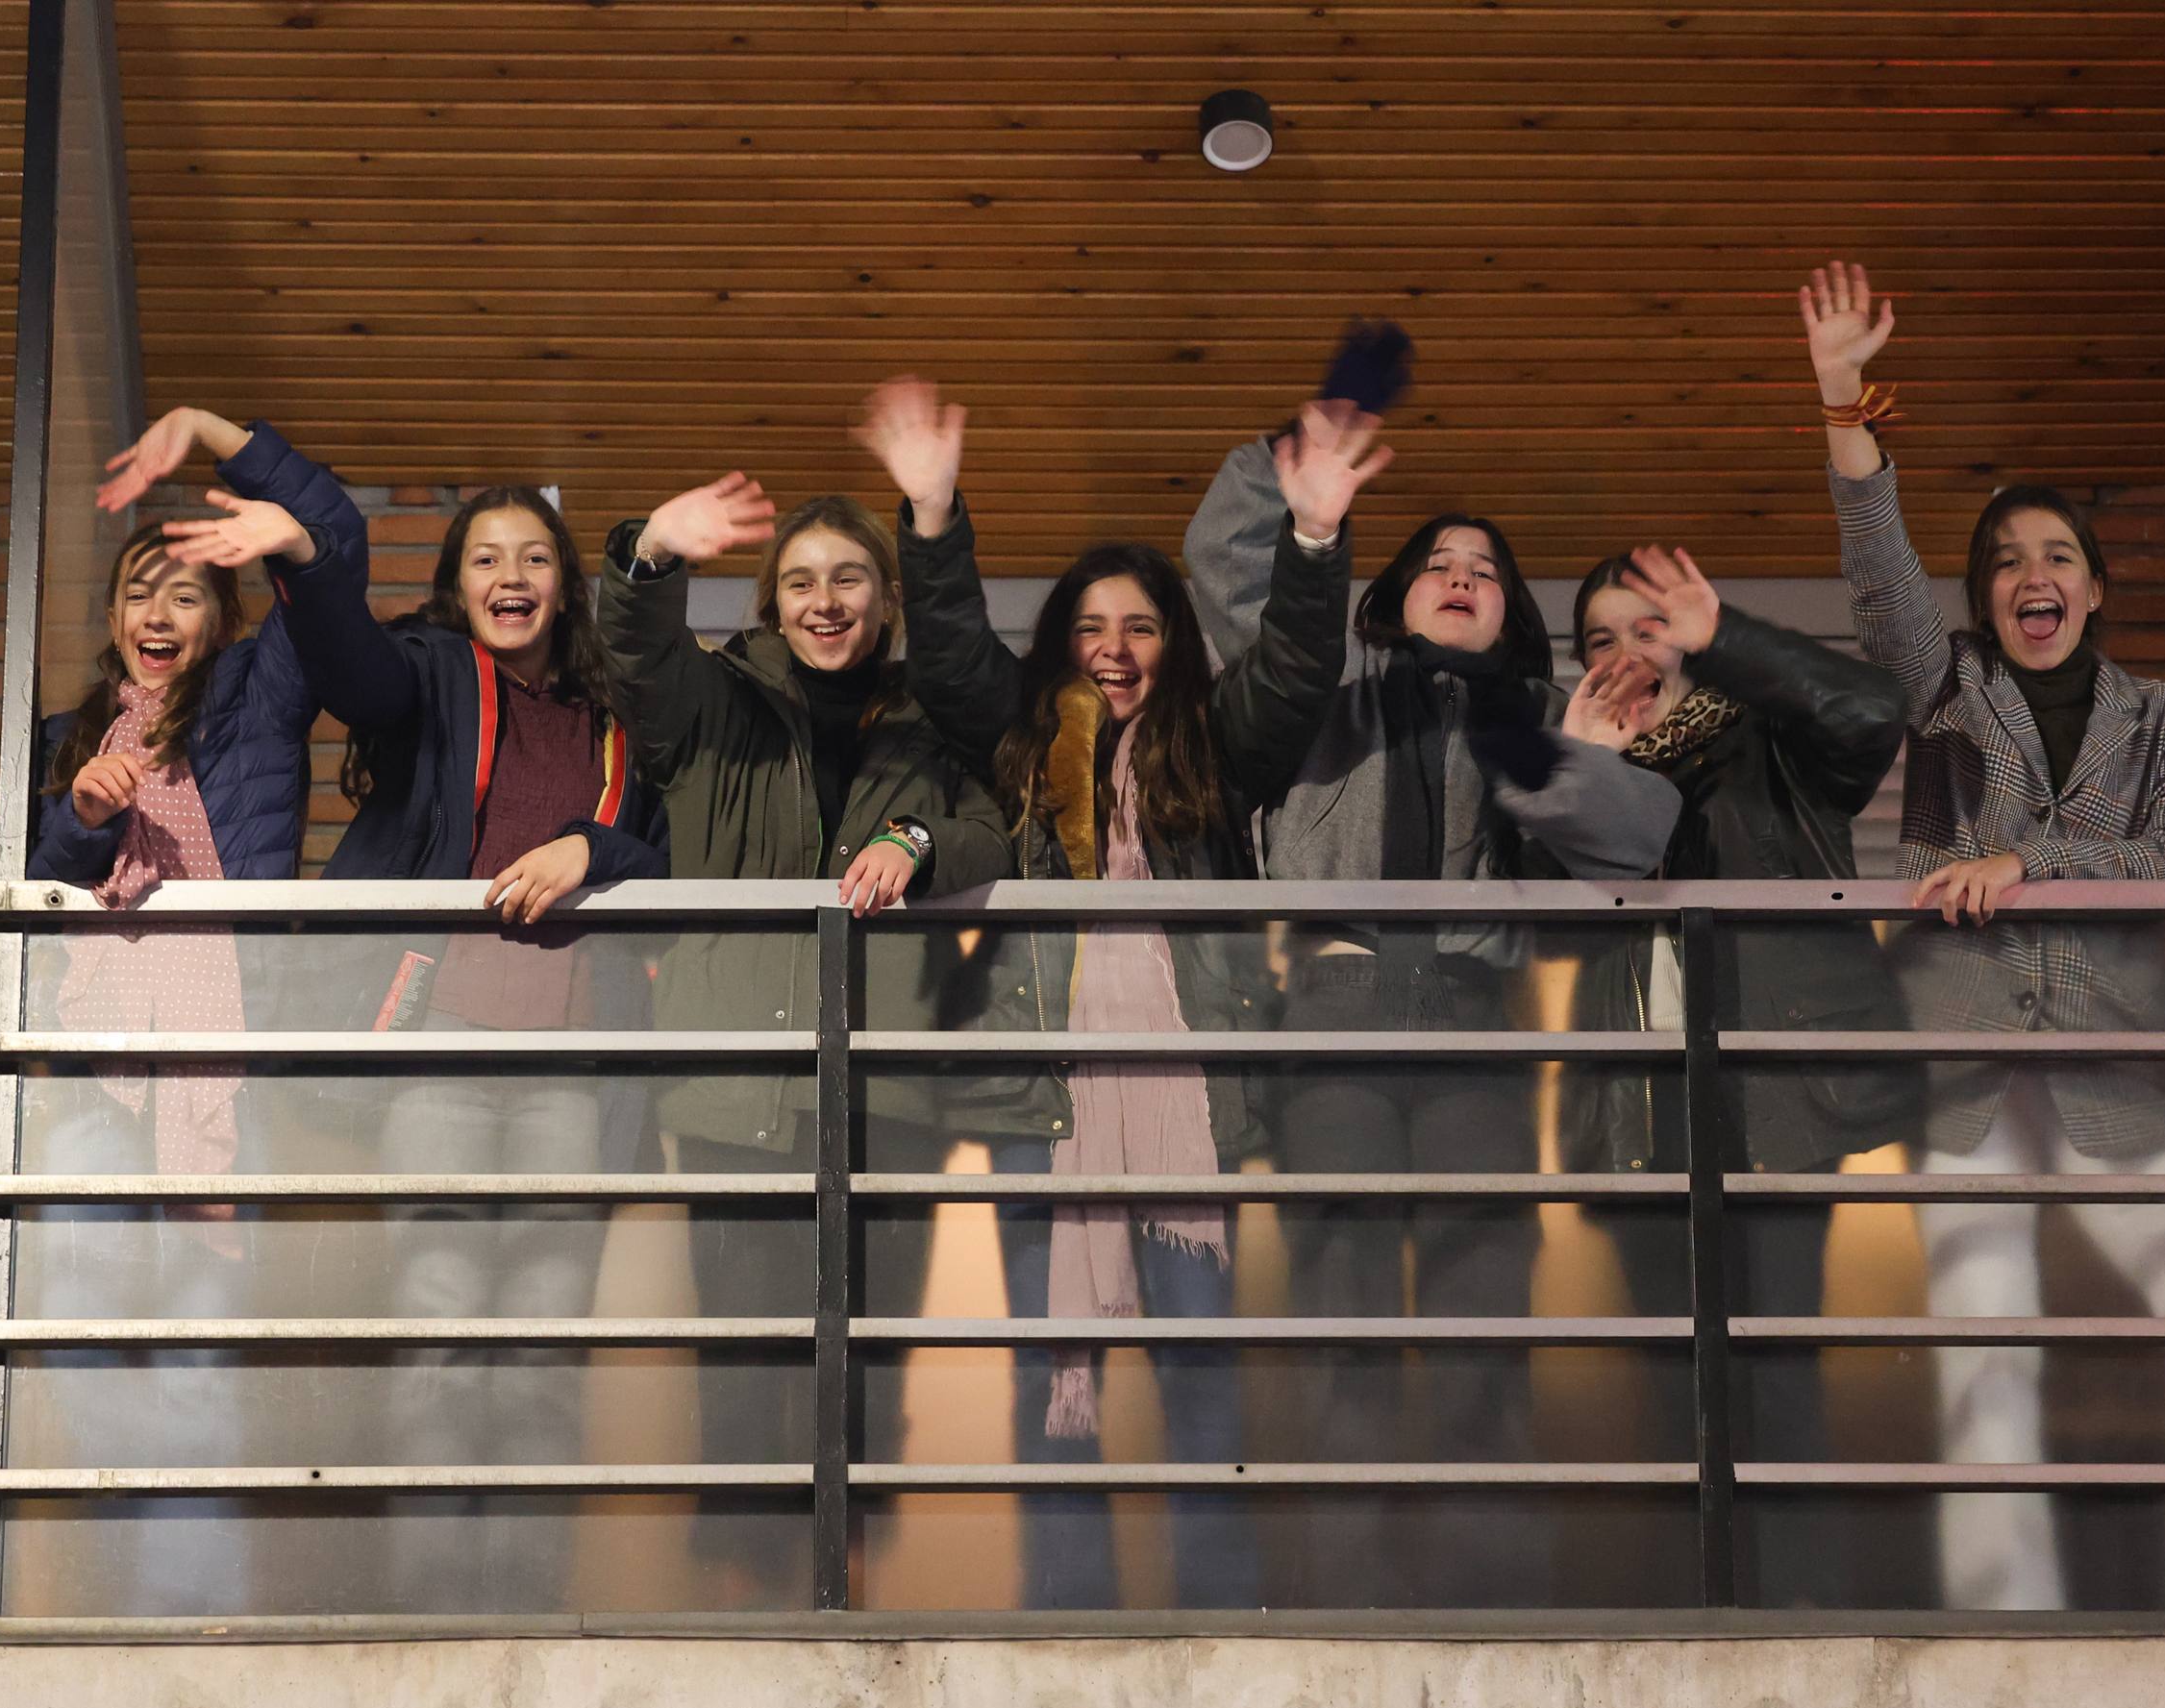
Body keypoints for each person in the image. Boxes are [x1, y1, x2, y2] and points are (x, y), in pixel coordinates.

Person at [1802, 258, 2165, 1610]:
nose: (2031, 574)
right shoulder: (1941, 683)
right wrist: (1841, 397)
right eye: (2005, 561)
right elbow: (1878, 573)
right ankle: (1999, 1625)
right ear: (1986, 598)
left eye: (2055, 556)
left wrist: (2030, 859)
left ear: (2091, 589)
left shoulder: (2162, 722)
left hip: (2113, 1070)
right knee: (1981, 1352)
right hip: (1959, 1064)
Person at [127, 413, 674, 1614]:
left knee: (538, 1348)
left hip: (570, 1068)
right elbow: (350, 669)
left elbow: (659, 861)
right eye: (484, 558)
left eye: (532, 557)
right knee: (438, 1324)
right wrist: (308, 562)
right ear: (456, 586)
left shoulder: (612, 725)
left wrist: (594, 843)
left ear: (564, 587)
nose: (510, 577)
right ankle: (438, 1613)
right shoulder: (429, 677)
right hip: (440, 1052)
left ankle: (521, 1610)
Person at [855, 375, 1368, 1607]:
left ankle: (1216, 1619)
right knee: (1053, 1378)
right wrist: (931, 518)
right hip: (1043, 1102)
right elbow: (951, 653)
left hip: (1190, 1102)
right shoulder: (1025, 743)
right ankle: (1065, 1625)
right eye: (1091, 628)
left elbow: (1296, 673)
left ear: (1171, 644)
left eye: (1138, 628)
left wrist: (1310, 541)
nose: (1114, 651)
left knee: (1201, 1374)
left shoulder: (1217, 738)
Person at [1187, 435, 1685, 1609]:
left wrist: (1576, 761)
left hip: (1475, 1022)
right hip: (1335, 1011)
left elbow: (1635, 844)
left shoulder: (1524, 717)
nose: (1461, 574)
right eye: (1436, 562)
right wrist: (1285, 476)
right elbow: (1224, 571)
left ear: (1507, 610)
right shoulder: (1326, 688)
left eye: (1485, 567)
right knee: (1340, 1317)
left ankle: (1490, 1606)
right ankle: (1349, 1608)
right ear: (1390, 591)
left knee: (1481, 1324)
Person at [594, 474, 1013, 1604]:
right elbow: (633, 654)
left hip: (889, 1087)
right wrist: (650, 554)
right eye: (798, 583)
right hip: (734, 1082)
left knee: (870, 1349)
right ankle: (732, 1582)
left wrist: (915, 836)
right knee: (740, 1349)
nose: (824, 603)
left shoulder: (931, 718)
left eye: (847, 580)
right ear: (772, 603)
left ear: (884, 597)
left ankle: (852, 1590)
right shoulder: (714, 702)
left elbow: (992, 828)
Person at [12, 408, 353, 1614]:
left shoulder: (255, 703)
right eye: (140, 595)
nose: (159, 617)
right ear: (113, 617)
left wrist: (221, 440)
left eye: (187, 596)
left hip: (220, 1071)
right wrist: (86, 816)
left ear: (221, 619)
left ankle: (183, 1618)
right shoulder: (64, 737)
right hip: (98, 1071)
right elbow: (40, 887)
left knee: (204, 1354)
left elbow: (333, 553)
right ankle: (121, 1583)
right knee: (81, 1330)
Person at [1555, 542, 1919, 1605]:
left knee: (1779, 1395)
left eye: (1648, 627)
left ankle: (1800, 1634)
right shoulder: (1572, 766)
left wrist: (1732, 644)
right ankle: (1693, 1638)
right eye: (1600, 639)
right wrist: (1583, 778)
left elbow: (1868, 709)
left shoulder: (1767, 738)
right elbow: (1544, 932)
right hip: (1635, 1116)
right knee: (1673, 1412)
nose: (1627, 653)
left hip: (1769, 1104)